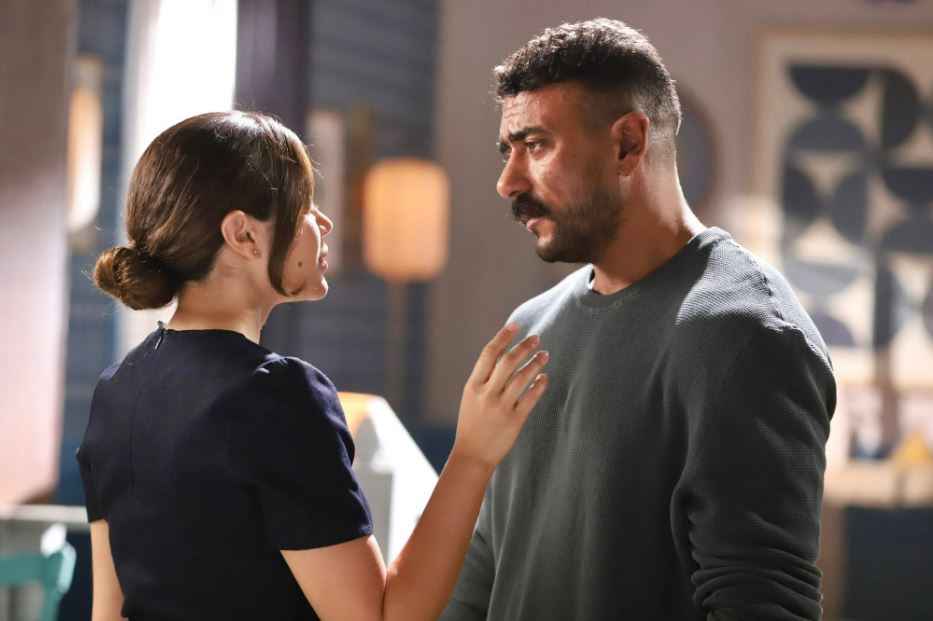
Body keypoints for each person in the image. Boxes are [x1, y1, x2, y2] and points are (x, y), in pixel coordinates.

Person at [77, 111, 549, 621]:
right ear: (243, 234)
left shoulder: (115, 390)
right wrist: (473, 455)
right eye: (303, 205)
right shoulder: (276, 395)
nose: (324, 223)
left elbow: (108, 614)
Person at [440, 18, 836, 621]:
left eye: (536, 145)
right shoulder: (528, 329)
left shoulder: (748, 337)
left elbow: (761, 605)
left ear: (627, 143)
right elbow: (483, 575)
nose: (507, 182)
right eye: (507, 151)